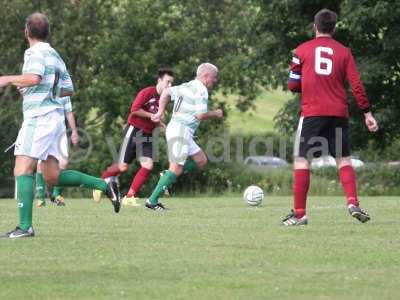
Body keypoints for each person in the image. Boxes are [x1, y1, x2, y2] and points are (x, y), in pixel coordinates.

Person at [0, 13, 120, 239]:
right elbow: (68, 89)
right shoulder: (55, 55)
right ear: (47, 33)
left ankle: (25, 227)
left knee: (22, 169)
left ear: (27, 31)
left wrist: (6, 79)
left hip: (39, 117)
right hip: (55, 119)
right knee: (52, 177)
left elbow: (34, 78)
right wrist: (40, 89)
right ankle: (105, 185)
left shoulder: (33, 52)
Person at [282, 9, 378, 226]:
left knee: (301, 161)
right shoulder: (344, 52)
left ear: (315, 26)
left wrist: (307, 84)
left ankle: (299, 214)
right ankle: (352, 202)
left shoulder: (300, 50)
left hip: (312, 113)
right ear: (334, 28)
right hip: (338, 113)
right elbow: (356, 85)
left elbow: (292, 84)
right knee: (343, 159)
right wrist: (367, 113)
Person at [146, 63, 223, 211]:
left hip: (181, 130)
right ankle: (152, 201)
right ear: (206, 76)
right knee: (176, 169)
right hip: (180, 130)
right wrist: (216, 113)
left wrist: (161, 111)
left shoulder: (188, 85)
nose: (215, 81)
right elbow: (199, 115)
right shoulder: (201, 90)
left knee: (201, 160)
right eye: (214, 78)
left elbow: (166, 92)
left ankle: (168, 176)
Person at [93, 69, 174, 206]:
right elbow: (134, 109)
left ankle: (129, 196)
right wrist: (151, 116)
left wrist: (163, 126)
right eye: (168, 82)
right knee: (122, 167)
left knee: (148, 165)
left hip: (147, 135)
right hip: (134, 130)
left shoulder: (164, 98)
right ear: (159, 81)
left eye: (172, 83)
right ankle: (98, 184)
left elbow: (155, 116)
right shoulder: (147, 92)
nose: (170, 86)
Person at [35, 96, 79, 207]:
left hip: (60, 132)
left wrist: (74, 131)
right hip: (44, 129)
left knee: (64, 162)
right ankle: (40, 197)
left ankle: (56, 195)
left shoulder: (64, 91)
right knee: (41, 162)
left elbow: (69, 112)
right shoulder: (44, 87)